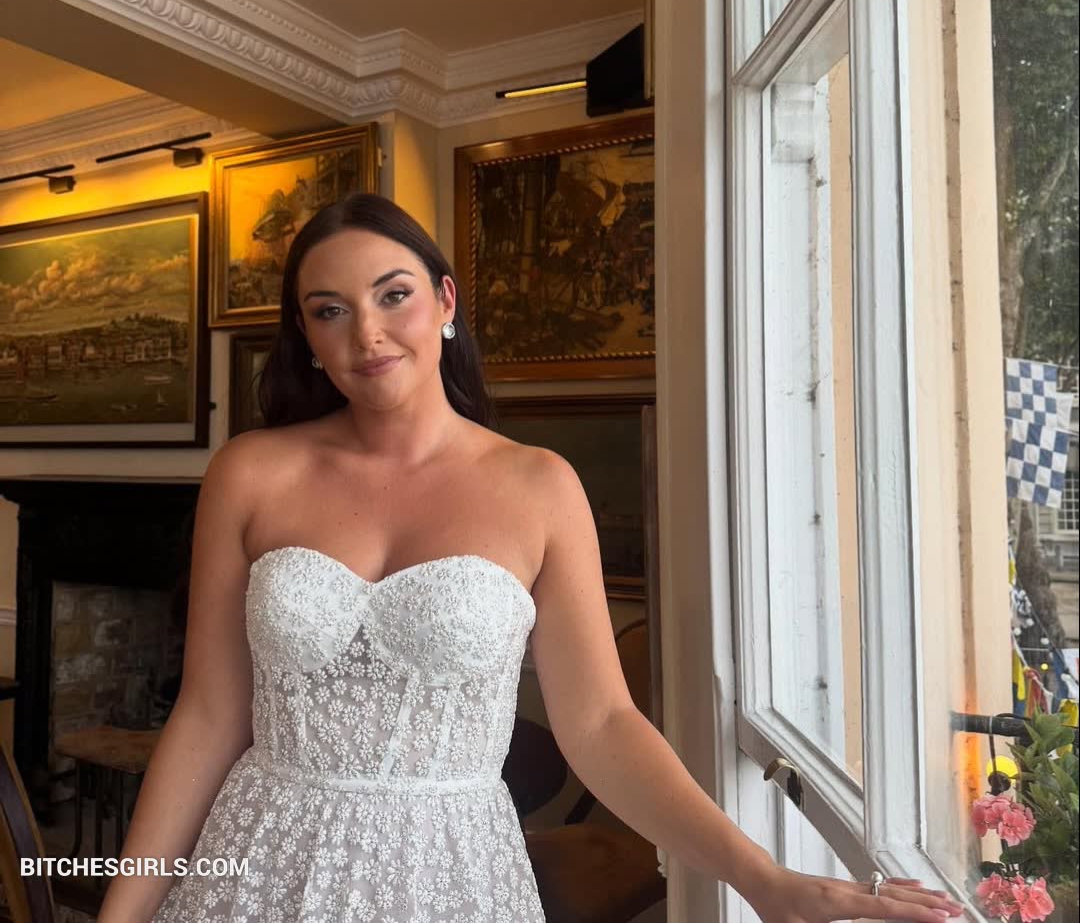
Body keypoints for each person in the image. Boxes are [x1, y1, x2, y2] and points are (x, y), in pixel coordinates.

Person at [98, 194, 965, 922]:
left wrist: (762, 878)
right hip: (259, 861)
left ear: (445, 301)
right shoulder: (250, 472)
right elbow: (207, 716)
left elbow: (602, 724)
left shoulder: (539, 485)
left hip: (450, 875)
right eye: (330, 310)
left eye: (393, 294)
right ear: (307, 336)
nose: (367, 332)